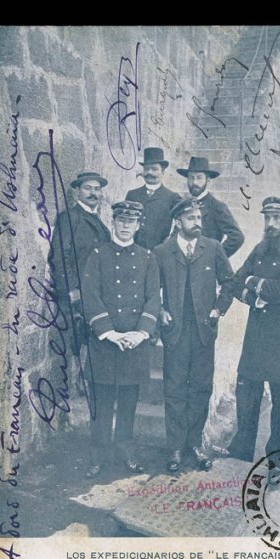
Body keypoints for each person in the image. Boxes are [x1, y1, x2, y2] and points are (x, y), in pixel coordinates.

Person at [228, 196, 280, 463]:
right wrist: (254, 297)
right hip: (257, 334)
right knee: (247, 394)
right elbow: (235, 282)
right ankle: (241, 451)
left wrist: (253, 280)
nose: (271, 223)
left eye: (276, 218)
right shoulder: (260, 249)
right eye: (267, 218)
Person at [154, 198, 234, 473]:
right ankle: (175, 447)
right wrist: (160, 310)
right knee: (174, 389)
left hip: (203, 331)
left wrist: (218, 309)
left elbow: (229, 282)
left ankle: (195, 444)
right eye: (191, 218)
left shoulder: (212, 248)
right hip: (175, 331)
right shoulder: (162, 251)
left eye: (199, 218)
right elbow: (151, 288)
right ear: (178, 222)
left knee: (200, 388)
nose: (197, 223)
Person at [81, 201, 160, 478]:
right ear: (113, 222)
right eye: (121, 220)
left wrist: (140, 333)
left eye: (131, 221)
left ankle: (126, 450)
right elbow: (90, 294)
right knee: (101, 403)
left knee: (128, 402)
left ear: (138, 226)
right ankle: (98, 455)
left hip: (134, 342)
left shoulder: (148, 258)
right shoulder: (97, 255)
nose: (126, 225)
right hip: (105, 340)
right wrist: (110, 333)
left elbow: (153, 297)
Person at [49, 171, 111, 356]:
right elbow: (59, 256)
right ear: (77, 191)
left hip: (95, 295)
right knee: (72, 351)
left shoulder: (99, 222)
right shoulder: (70, 217)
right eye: (87, 188)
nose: (93, 193)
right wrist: (71, 288)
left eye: (97, 189)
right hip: (75, 298)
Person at [176, 156, 244, 257]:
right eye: (191, 177)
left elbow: (237, 237)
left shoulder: (217, 207)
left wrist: (215, 257)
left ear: (208, 180)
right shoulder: (184, 205)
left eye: (199, 177)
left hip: (205, 265)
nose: (194, 182)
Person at [126, 147, 181, 250]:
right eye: (146, 169)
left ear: (163, 172)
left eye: (154, 169)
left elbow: (182, 222)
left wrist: (170, 240)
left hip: (159, 252)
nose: (149, 172)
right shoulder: (132, 195)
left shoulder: (172, 197)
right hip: (134, 250)